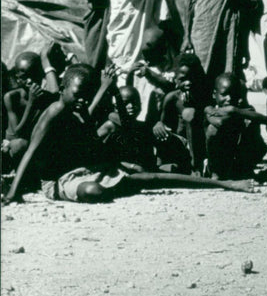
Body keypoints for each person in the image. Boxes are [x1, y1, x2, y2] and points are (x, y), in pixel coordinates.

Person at [1, 64, 252, 205]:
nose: (81, 101)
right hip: (58, 181)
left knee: (152, 177)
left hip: (86, 168)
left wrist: (105, 88)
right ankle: (121, 183)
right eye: (77, 95)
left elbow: (86, 118)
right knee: (94, 191)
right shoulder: (55, 111)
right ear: (63, 89)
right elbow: (30, 152)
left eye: (86, 97)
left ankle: (226, 184)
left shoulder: (76, 109)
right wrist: (14, 193)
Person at [204, 73, 267, 180]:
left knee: (252, 124)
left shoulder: (240, 110)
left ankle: (244, 169)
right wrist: (234, 114)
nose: (229, 98)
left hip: (239, 158)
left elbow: (265, 119)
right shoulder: (210, 109)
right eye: (224, 94)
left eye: (233, 94)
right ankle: (216, 173)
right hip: (220, 160)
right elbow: (219, 122)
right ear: (214, 94)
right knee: (213, 129)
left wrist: (233, 110)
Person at [155, 54, 209, 175]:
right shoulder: (172, 98)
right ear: (176, 79)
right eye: (183, 79)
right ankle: (159, 165)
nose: (188, 83)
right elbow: (162, 122)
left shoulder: (204, 95)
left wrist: (192, 105)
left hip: (201, 143)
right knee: (158, 132)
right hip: (181, 143)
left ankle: (196, 167)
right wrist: (159, 125)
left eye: (192, 78)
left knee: (189, 113)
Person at [96, 85, 157, 171]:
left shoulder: (141, 126)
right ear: (116, 106)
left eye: (134, 102)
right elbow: (94, 154)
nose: (131, 106)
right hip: (115, 172)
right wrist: (131, 166)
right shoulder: (110, 126)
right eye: (125, 103)